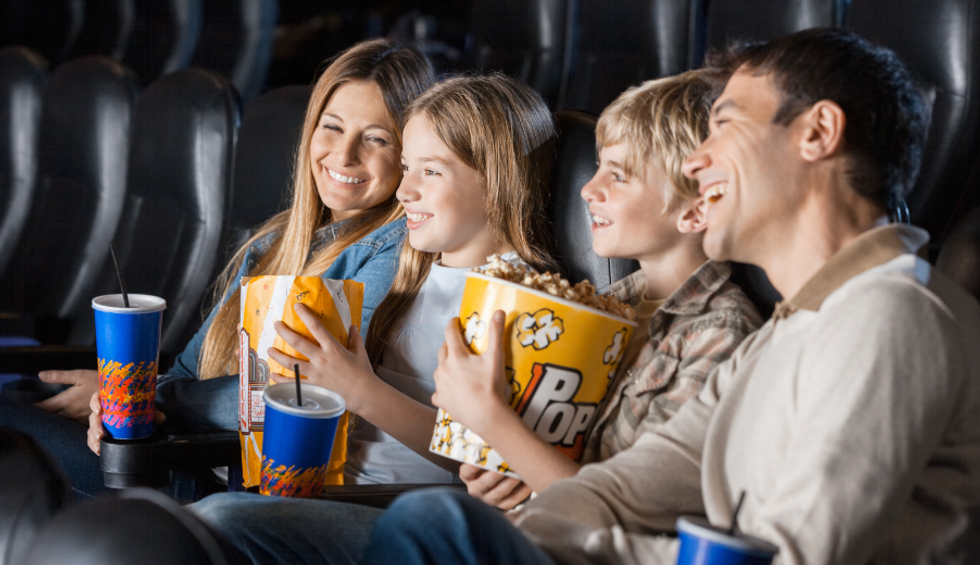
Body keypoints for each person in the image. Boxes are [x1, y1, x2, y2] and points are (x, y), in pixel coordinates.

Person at [361, 28, 980, 565]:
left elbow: (790, 557)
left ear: (817, 132)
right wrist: (519, 531)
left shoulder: (888, 314)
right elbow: (621, 490)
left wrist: (544, 548)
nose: (700, 161)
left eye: (727, 124)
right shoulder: (786, 331)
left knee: (432, 528)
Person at [0, 38, 436, 500]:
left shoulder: (394, 249)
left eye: (376, 138)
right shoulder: (275, 240)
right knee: (18, 401)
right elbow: (190, 369)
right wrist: (121, 399)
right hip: (169, 448)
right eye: (332, 127)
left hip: (211, 478)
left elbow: (294, 393)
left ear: (410, 156)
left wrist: (141, 397)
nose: (344, 155)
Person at [190, 73, 561, 564]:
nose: (404, 190)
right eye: (406, 168)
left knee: (211, 523)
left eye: (430, 172)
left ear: (497, 181)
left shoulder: (519, 300)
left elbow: (488, 460)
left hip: (398, 509)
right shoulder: (413, 271)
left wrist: (359, 389)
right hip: (324, 484)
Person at [433, 70, 762, 510]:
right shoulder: (609, 304)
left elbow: (632, 509)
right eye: (599, 167)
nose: (589, 189)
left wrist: (490, 420)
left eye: (619, 176)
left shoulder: (720, 338)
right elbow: (551, 465)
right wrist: (507, 468)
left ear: (695, 209)